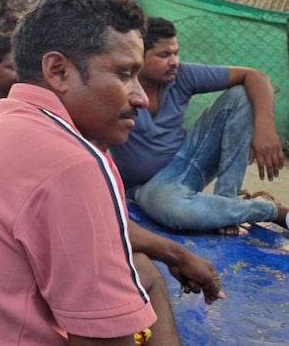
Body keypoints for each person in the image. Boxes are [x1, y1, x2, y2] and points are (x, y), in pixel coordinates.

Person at [0, 0, 223, 345]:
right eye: (125, 74)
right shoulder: (74, 163)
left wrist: (175, 253)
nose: (140, 97)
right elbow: (106, 341)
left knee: (141, 267)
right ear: (58, 71)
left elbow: (98, 228)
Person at [109, 17, 288, 234]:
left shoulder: (182, 75)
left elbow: (255, 76)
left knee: (241, 95)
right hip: (150, 188)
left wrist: (264, 128)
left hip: (189, 163)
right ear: (138, 56)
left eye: (176, 53)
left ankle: (227, 198)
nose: (174, 61)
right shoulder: (118, 88)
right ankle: (270, 211)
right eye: (164, 55)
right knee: (173, 209)